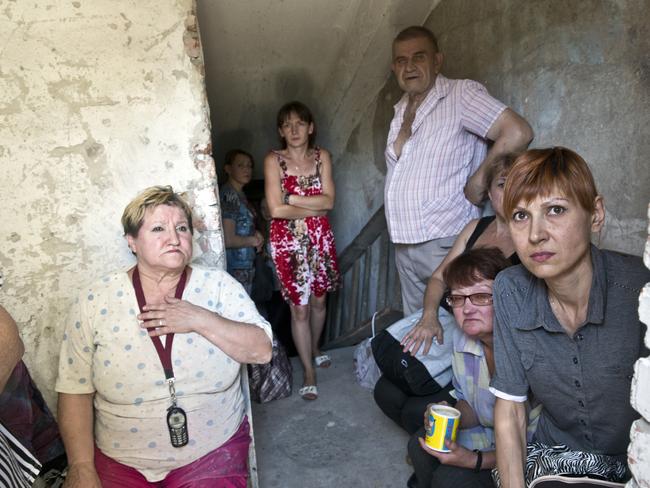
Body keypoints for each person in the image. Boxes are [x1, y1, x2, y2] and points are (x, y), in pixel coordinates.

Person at [56, 185, 272, 488]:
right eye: (158, 228)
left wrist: (199, 318)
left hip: (211, 452)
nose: (174, 238)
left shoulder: (219, 287)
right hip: (120, 459)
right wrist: (80, 466)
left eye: (182, 228)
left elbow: (262, 350)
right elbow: (74, 389)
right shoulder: (95, 301)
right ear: (131, 241)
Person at [490, 147, 650, 487]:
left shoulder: (640, 288)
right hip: (557, 460)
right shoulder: (510, 290)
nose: (535, 234)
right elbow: (511, 408)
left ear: (595, 214)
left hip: (634, 465)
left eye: (556, 210)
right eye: (521, 216)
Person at [385, 25, 533, 316]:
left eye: (419, 57)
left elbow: (518, 131)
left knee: (461, 324)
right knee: (421, 327)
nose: (410, 66)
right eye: (402, 60)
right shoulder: (401, 108)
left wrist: (478, 181)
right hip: (404, 242)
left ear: (437, 61)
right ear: (394, 67)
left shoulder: (460, 95)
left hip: (444, 239)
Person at [374, 156, 517, 434]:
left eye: (520, 183)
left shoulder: (530, 238)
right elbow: (440, 277)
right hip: (450, 320)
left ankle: (428, 447)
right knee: (385, 392)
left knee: (418, 412)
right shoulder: (475, 228)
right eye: (502, 184)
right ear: (489, 192)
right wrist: (429, 317)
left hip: (483, 341)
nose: (511, 191)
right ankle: (424, 442)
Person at [407, 248, 540, 488]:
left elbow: (536, 443)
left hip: (529, 454)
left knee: (450, 480)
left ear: (506, 297)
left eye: (480, 296)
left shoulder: (531, 351)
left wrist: (473, 461)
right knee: (420, 444)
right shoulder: (464, 338)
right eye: (457, 298)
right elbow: (471, 404)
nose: (466, 309)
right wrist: (451, 416)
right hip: (489, 434)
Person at [264, 101, 341, 400]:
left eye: (300, 123)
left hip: (320, 238)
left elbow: (330, 203)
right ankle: (308, 370)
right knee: (300, 307)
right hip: (287, 241)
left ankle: (316, 346)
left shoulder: (323, 157)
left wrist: (292, 196)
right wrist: (313, 205)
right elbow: (275, 210)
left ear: (311, 127)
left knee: (320, 302)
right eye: (287, 124)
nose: (294, 130)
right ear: (281, 131)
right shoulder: (273, 160)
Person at [219, 149, 264, 294]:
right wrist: (253, 241)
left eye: (249, 166)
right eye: (241, 165)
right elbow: (228, 239)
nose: (247, 169)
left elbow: (242, 224)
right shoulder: (229, 195)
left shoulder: (240, 194)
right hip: (235, 266)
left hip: (244, 264)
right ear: (228, 169)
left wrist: (255, 232)